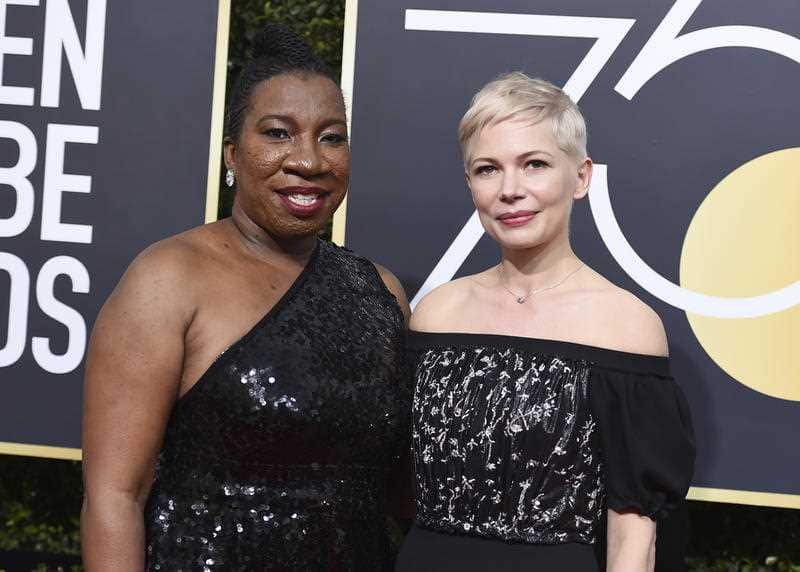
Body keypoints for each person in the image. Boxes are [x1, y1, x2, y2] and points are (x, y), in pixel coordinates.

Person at [81, 24, 411, 571]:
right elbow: (115, 499)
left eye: (332, 136)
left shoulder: (381, 292)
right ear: (233, 154)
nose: (309, 161)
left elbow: (400, 493)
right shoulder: (168, 278)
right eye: (279, 133)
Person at [396, 72, 695, 571]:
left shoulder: (626, 326)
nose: (510, 190)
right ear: (470, 184)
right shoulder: (435, 313)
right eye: (488, 169)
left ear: (580, 177)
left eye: (534, 164)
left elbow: (634, 536)